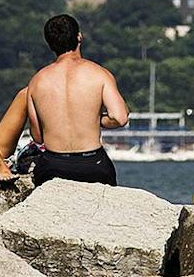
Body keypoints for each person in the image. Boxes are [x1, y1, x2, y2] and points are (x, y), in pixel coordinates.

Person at [27, 13, 128, 187]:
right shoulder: (99, 74)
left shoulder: (37, 81)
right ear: (79, 36)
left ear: (50, 44)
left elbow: (37, 137)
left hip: (53, 165)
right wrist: (97, 120)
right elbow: (120, 118)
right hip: (92, 164)